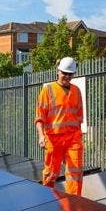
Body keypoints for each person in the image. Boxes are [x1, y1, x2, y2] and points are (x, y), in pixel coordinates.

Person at [35, 57, 84, 195]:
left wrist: (78, 136)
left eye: (70, 74)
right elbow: (39, 117)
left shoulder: (76, 91)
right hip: (54, 138)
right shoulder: (48, 90)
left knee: (75, 172)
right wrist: (41, 136)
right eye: (64, 73)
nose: (67, 76)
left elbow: (79, 117)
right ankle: (46, 199)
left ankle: (74, 203)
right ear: (58, 71)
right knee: (51, 173)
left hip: (73, 138)